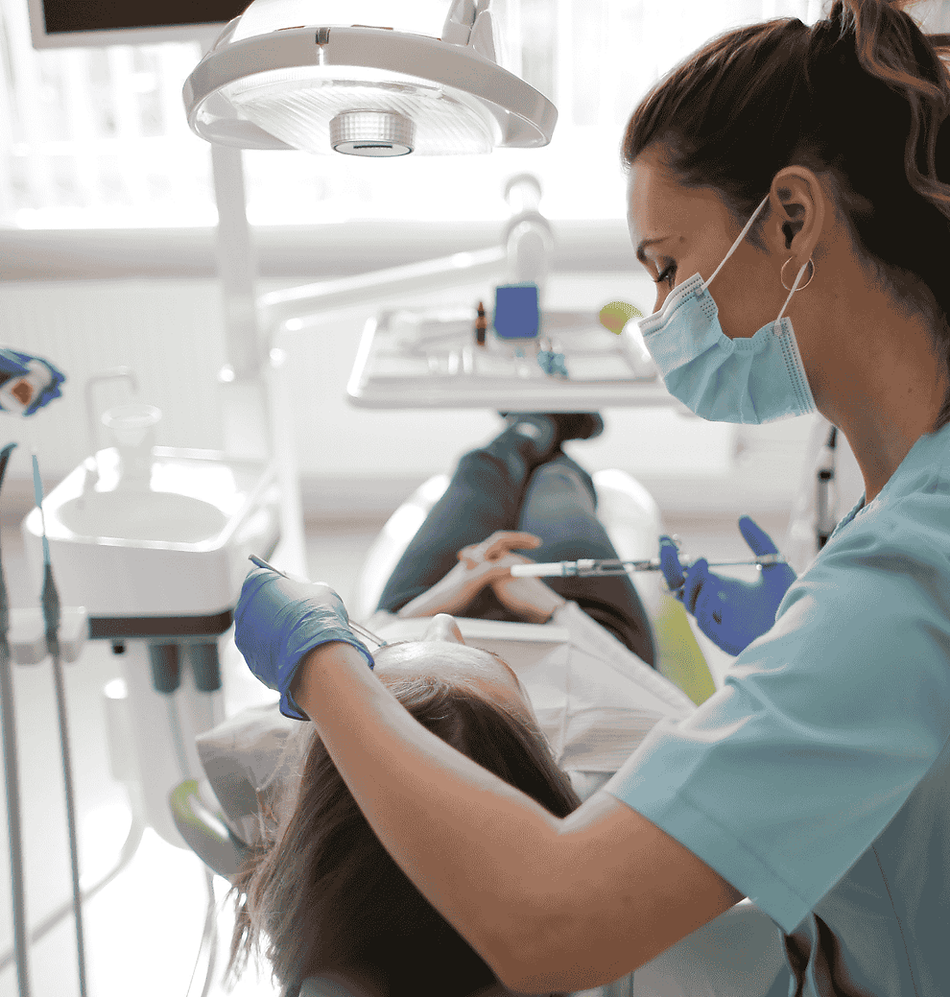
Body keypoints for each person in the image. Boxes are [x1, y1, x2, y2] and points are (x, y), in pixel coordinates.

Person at [234, 2, 950, 994]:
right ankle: (531, 441)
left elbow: (547, 921)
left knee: (514, 475)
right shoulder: (903, 520)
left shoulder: (905, 576)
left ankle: (525, 441)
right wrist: (810, 654)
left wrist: (320, 660)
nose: (661, 319)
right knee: (536, 478)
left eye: (665, 267)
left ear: (789, 218)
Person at [224, 413, 707, 997]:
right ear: (535, 760)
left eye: (391, 657)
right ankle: (555, 445)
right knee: (559, 493)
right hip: (579, 622)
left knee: (478, 477)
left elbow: (260, 737)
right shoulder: (610, 789)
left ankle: (521, 434)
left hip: (417, 597)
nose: (447, 627)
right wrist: (555, 612)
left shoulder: (314, 910)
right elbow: (682, 724)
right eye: (501, 675)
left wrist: (417, 612)